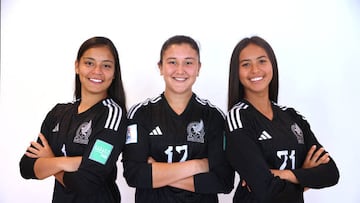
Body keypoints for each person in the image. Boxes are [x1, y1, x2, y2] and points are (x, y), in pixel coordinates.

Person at [225, 36, 340, 203]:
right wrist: (305, 177)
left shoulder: (292, 116)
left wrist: (284, 174)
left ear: (272, 65)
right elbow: (265, 189)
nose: (255, 70)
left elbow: (331, 173)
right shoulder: (237, 119)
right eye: (246, 64)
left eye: (262, 61)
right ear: (236, 72)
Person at [122, 35, 234, 203]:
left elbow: (223, 181)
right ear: (160, 67)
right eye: (172, 62)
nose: (180, 70)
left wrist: (158, 173)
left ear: (198, 68)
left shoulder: (214, 116)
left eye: (188, 62)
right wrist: (199, 165)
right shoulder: (140, 114)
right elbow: (135, 175)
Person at [19, 36, 127, 203]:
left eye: (106, 65)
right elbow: (26, 167)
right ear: (77, 66)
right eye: (89, 63)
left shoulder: (112, 115)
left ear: (114, 73)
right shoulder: (58, 113)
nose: (97, 71)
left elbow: (87, 183)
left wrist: (49, 161)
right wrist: (68, 162)